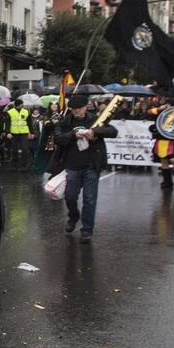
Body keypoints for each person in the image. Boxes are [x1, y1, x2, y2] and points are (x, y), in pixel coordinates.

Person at [53, 92, 118, 243]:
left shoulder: (95, 119)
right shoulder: (65, 122)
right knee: (70, 196)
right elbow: (58, 139)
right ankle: (74, 216)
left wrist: (93, 131)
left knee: (89, 199)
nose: (76, 111)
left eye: (79, 108)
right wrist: (73, 135)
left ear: (86, 107)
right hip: (72, 165)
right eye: (73, 109)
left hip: (91, 165)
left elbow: (113, 131)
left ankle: (87, 230)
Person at [5, 99, 33, 171]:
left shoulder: (26, 112)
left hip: (24, 133)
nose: (22, 105)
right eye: (21, 104)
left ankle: (24, 165)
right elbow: (7, 123)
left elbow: (29, 123)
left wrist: (32, 133)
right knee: (14, 149)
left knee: (25, 148)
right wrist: (8, 132)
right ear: (17, 105)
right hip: (14, 133)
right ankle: (14, 165)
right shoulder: (10, 112)